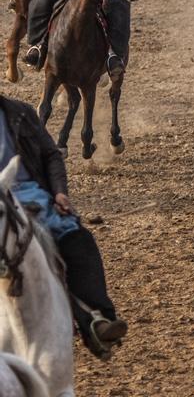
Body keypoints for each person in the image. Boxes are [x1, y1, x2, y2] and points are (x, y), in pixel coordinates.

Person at [0, 93, 128, 358]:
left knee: (77, 237)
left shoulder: (20, 112)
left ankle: (98, 319)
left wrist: (59, 192)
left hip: (29, 195)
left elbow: (51, 155)